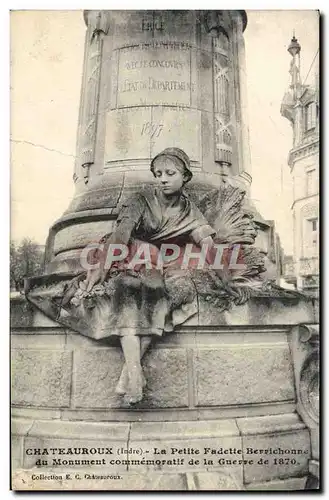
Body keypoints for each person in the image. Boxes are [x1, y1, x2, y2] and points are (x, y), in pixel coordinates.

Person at [65, 147, 227, 405]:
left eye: (170, 173)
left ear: (185, 176)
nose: (163, 178)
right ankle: (136, 377)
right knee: (129, 295)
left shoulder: (189, 210)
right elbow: (121, 234)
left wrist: (225, 278)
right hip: (126, 254)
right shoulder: (141, 199)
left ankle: (129, 374)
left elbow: (206, 242)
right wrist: (103, 267)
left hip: (157, 262)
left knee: (159, 300)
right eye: (159, 173)